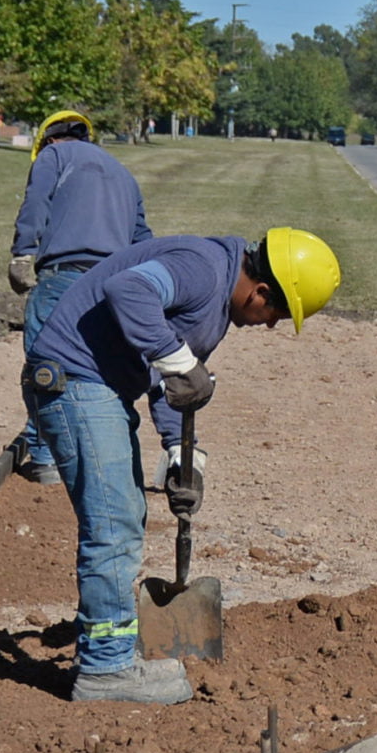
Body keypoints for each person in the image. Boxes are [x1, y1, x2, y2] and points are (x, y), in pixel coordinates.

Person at [26, 227, 341, 702]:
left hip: (98, 387)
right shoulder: (203, 268)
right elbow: (128, 290)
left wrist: (182, 454)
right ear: (259, 291)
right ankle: (104, 670)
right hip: (74, 380)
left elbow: (172, 384)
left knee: (124, 518)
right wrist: (176, 360)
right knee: (113, 525)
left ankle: (108, 653)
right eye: (276, 312)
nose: (271, 325)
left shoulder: (215, 301)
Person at [8, 111, 153, 483]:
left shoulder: (52, 158)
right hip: (112, 287)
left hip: (64, 277)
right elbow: (143, 241)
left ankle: (45, 458)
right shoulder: (124, 174)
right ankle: (101, 459)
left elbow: (36, 202)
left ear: (47, 140)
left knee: (45, 368)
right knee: (98, 372)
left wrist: (24, 252)